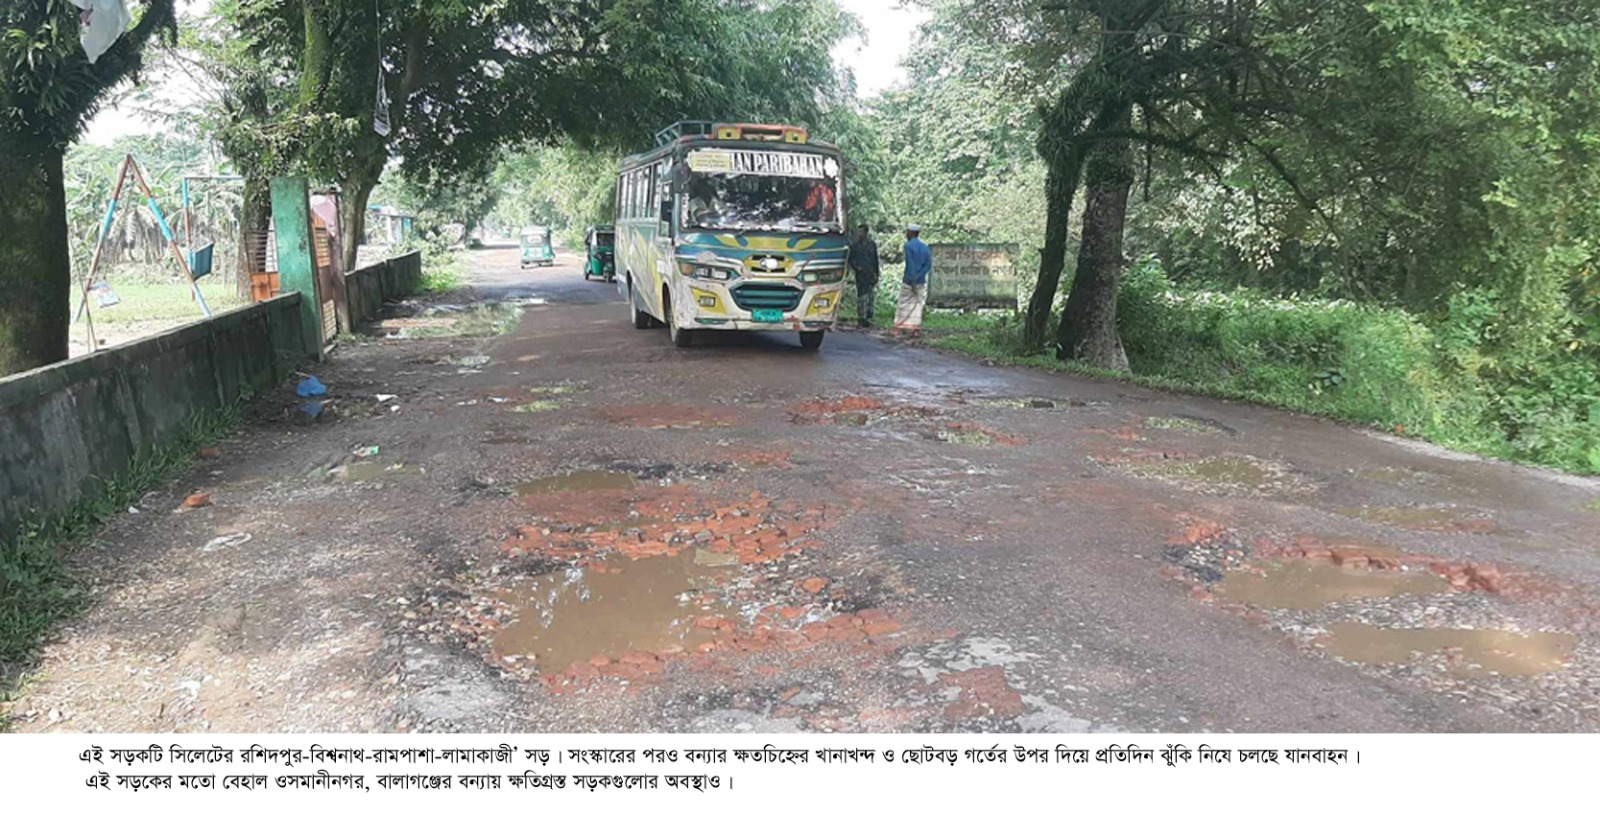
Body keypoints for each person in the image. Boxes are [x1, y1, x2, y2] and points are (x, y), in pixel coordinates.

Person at [895, 224, 932, 336]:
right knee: (917, 304)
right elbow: (928, 265)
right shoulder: (925, 248)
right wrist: (920, 276)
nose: (906, 234)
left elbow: (910, 264)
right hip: (921, 281)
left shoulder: (908, 246)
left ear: (911, 233)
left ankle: (899, 327)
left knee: (903, 303)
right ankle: (915, 328)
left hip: (909, 280)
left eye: (907, 232)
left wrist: (912, 279)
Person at [847, 224, 880, 327]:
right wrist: (857, 267)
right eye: (859, 232)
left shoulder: (872, 245)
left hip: (870, 273)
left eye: (861, 232)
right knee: (862, 296)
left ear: (866, 233)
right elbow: (850, 259)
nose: (860, 234)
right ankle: (861, 318)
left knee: (870, 296)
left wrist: (876, 274)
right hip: (860, 274)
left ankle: (868, 317)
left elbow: (875, 260)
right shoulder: (855, 245)